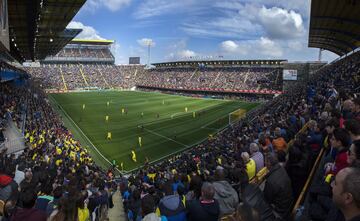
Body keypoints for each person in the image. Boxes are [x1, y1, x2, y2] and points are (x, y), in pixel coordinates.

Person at [263, 154, 293, 220]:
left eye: (265, 161)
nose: (264, 163)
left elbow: (267, 199)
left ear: (269, 163)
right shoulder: (281, 168)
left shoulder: (271, 181)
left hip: (281, 210)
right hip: (288, 203)